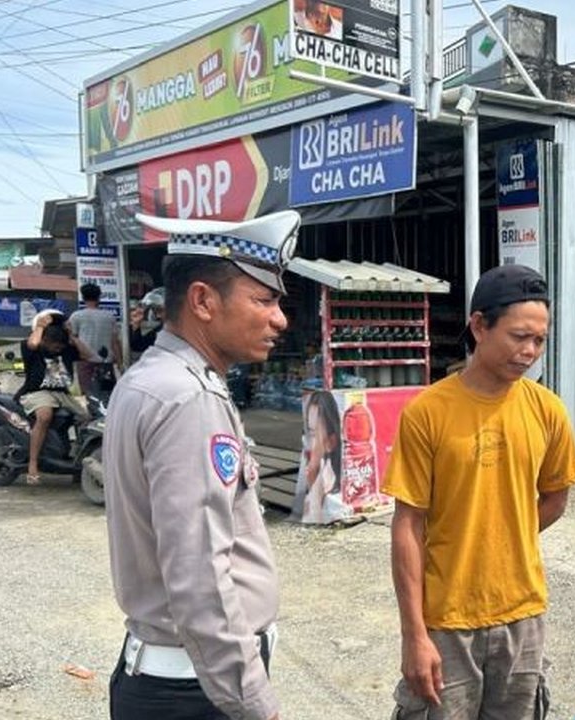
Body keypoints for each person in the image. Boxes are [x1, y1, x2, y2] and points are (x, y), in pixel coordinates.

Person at [104, 210, 300, 720]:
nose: (280, 318)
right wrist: (254, 702)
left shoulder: (152, 378)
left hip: (176, 681)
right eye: (263, 299)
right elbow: (200, 576)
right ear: (202, 301)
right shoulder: (189, 397)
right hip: (197, 694)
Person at [384, 264, 575, 719]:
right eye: (518, 336)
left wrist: (504, 534)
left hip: (523, 615)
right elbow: (407, 526)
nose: (530, 351)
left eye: (539, 340)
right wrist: (414, 635)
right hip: (447, 622)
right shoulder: (427, 412)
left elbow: (555, 496)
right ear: (478, 325)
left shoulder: (547, 410)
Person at [17, 310, 100, 483]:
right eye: (54, 345)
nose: (57, 349)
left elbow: (88, 355)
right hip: (38, 392)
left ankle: (77, 459)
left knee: (88, 417)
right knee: (44, 416)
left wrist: (72, 335)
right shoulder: (33, 349)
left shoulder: (66, 349)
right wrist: (40, 326)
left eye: (60, 346)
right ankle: (33, 463)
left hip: (63, 394)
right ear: (45, 340)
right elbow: (33, 344)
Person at [296, 389, 347, 524]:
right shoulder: (312, 484)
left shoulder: (333, 497)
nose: (305, 442)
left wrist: (316, 494)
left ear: (331, 442)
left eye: (312, 434)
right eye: (306, 431)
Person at [68, 282, 121, 397]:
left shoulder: (76, 316)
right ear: (99, 297)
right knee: (107, 395)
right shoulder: (109, 317)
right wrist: (120, 362)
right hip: (106, 362)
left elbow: (72, 339)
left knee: (88, 395)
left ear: (83, 297)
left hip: (85, 361)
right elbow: (115, 342)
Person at [128, 287, 165, 355]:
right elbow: (137, 346)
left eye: (159, 310)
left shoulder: (180, 331)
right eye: (154, 311)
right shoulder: (159, 331)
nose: (157, 316)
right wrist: (136, 325)